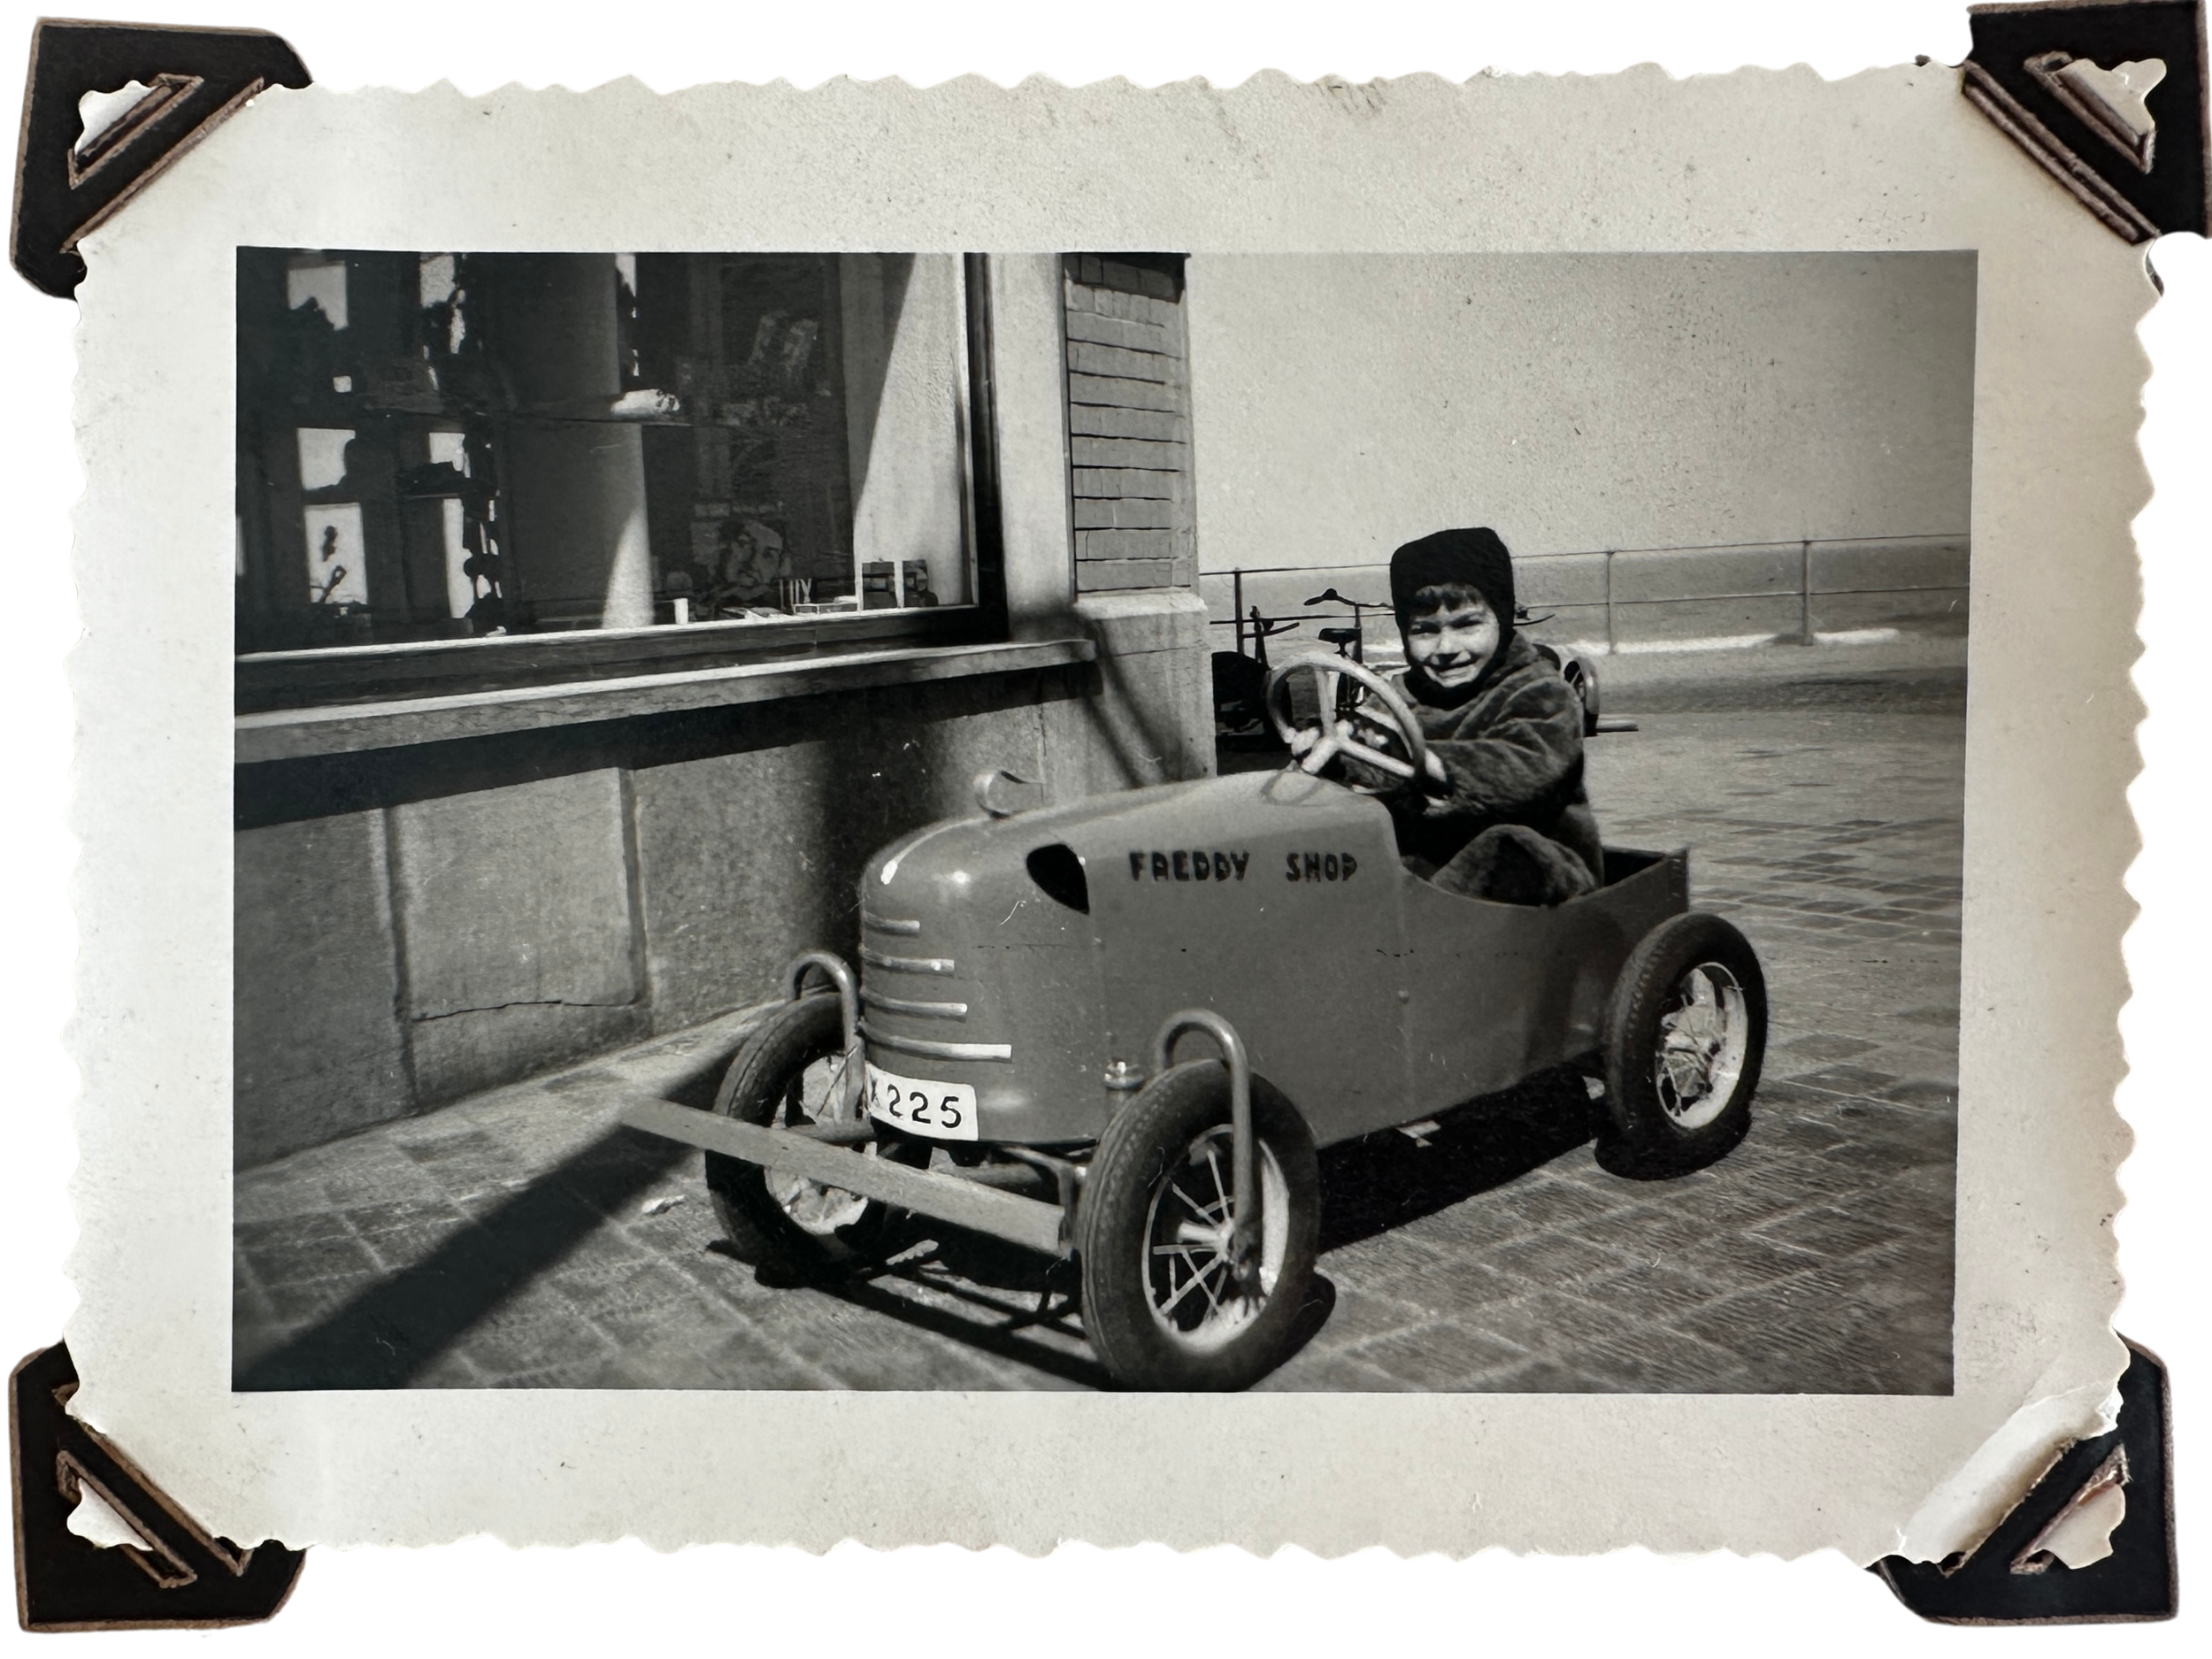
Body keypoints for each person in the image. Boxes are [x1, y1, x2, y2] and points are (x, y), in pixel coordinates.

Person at [1328, 526, 1604, 906]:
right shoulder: (1397, 698)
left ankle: (1417, 924)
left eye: (1467, 624)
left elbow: (1525, 769)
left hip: (1547, 878)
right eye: (1425, 631)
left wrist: (1428, 762)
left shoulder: (1541, 693)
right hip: (1432, 871)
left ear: (1502, 617)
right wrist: (1337, 754)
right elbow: (1366, 751)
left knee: (1510, 845)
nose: (1446, 648)